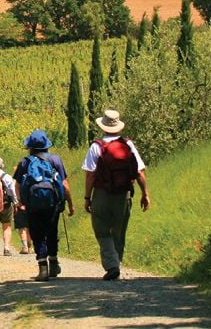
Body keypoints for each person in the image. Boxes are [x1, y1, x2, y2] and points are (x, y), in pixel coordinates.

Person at [82, 109, 151, 281]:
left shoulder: (96, 146)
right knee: (119, 231)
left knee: (102, 230)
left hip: (101, 194)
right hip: (123, 195)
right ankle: (116, 262)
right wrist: (145, 194)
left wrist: (87, 198)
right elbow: (139, 172)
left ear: (103, 126)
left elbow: (90, 175)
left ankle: (112, 265)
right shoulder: (128, 145)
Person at [14, 130, 74, 280]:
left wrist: (20, 202)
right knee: (52, 231)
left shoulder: (25, 162)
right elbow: (64, 184)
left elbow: (17, 185)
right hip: (53, 204)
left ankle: (43, 269)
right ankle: (53, 263)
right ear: (47, 145)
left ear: (30, 147)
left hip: (32, 206)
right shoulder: (55, 160)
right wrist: (70, 203)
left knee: (37, 234)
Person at [0, 156, 17, 256]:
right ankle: (6, 248)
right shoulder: (6, 176)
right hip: (5, 203)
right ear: (2, 165)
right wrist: (15, 203)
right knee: (7, 225)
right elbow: (12, 191)